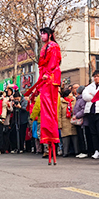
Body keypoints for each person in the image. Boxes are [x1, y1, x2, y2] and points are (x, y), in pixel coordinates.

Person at [34, 27, 62, 160]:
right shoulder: (44, 47)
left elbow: (53, 63)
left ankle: (52, 138)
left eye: (44, 33)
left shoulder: (54, 46)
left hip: (50, 78)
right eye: (41, 33)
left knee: (50, 109)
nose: (42, 36)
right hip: (44, 79)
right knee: (45, 110)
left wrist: (48, 74)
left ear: (50, 35)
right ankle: (47, 139)